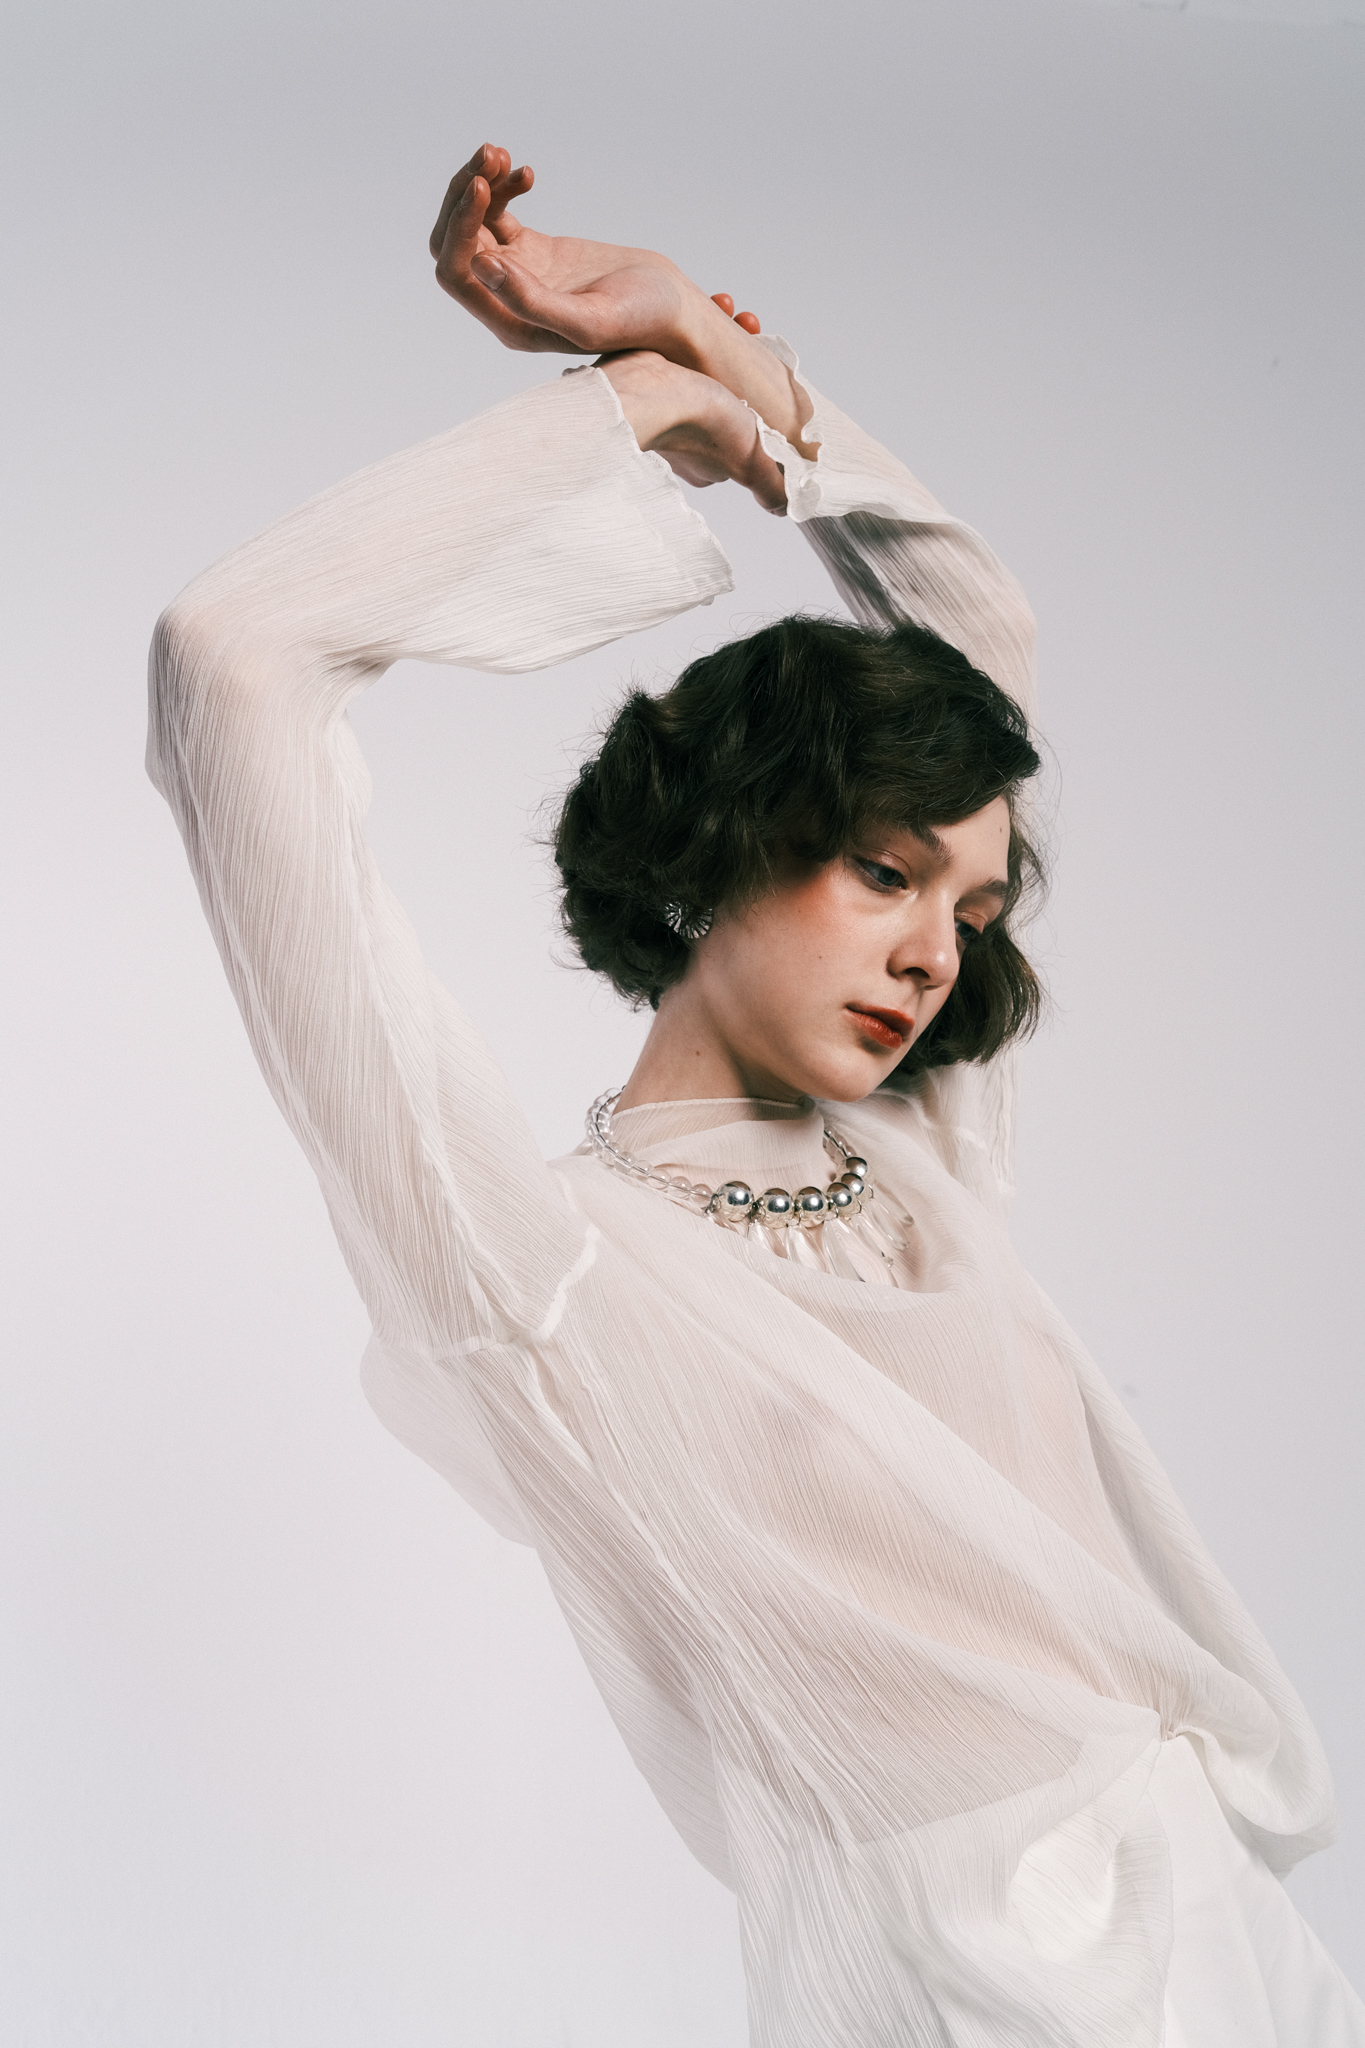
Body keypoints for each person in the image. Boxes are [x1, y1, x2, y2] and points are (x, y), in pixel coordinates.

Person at [148, 143, 1363, 2047]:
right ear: (722, 851)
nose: (935, 954)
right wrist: (628, 416)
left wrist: (733, 363)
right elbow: (229, 667)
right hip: (959, 1996)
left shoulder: (917, 1157)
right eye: (881, 874)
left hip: (1232, 1948)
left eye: (970, 910)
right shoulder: (535, 1270)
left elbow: (981, 646)